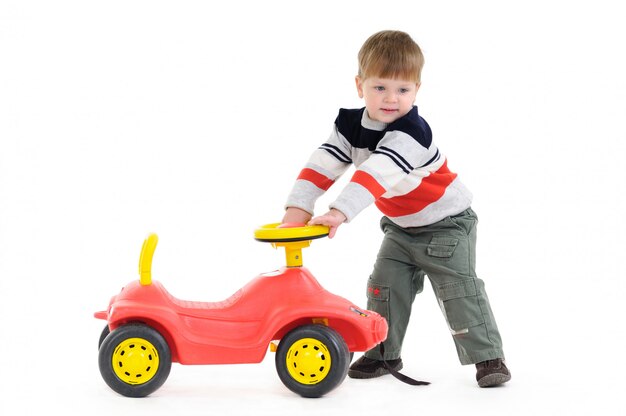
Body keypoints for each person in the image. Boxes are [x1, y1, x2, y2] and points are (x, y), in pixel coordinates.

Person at [281, 30, 510, 387]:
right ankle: (382, 353)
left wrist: (338, 212)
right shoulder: (349, 126)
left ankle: (488, 358)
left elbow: (376, 174)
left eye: (402, 90)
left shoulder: (411, 132)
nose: (391, 99)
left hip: (447, 225)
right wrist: (297, 209)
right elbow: (322, 165)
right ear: (360, 85)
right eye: (380, 88)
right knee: (384, 287)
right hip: (401, 228)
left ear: (416, 90)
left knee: (457, 290)